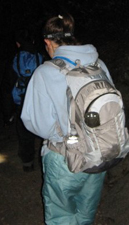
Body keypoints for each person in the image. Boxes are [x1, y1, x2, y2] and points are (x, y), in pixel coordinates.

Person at [21, 13, 113, 224]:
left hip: (64, 158)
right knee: (86, 211)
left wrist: (62, 134)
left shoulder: (45, 72)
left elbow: (36, 123)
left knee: (62, 215)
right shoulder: (99, 64)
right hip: (99, 151)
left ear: (48, 42)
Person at [1, 28, 43, 172]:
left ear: (18, 44)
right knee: (45, 130)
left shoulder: (14, 61)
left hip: (22, 102)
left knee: (24, 134)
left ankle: (28, 163)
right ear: (33, 41)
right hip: (39, 101)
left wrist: (8, 114)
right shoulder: (41, 57)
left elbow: (7, 89)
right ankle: (46, 160)